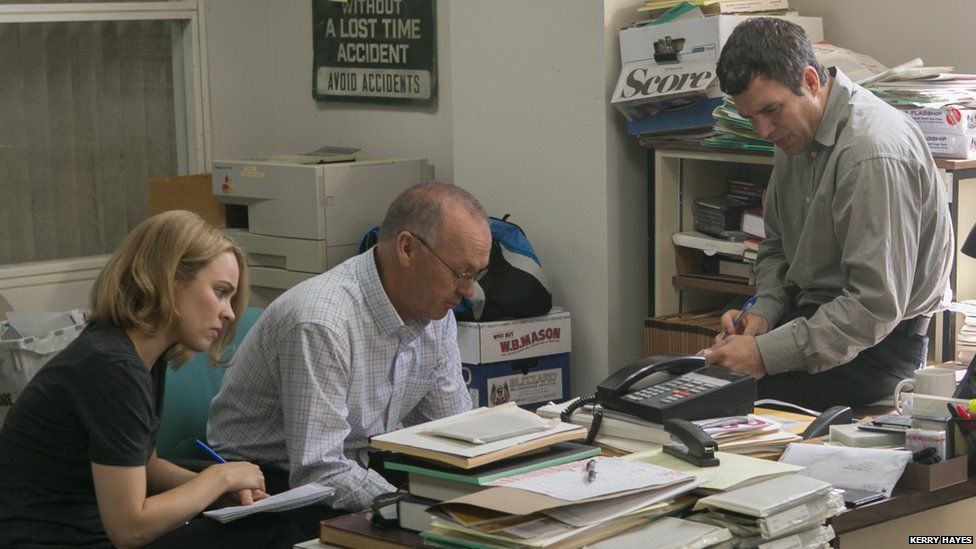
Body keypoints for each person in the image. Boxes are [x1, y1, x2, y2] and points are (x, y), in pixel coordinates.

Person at [0, 210, 303, 548]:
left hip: (84, 531)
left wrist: (219, 493)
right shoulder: (113, 368)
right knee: (271, 533)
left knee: (267, 523)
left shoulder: (136, 355)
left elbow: (144, 466)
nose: (229, 312)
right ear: (169, 279)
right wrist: (217, 480)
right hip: (53, 541)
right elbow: (130, 529)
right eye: (220, 292)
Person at [207, 182, 491, 525]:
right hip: (265, 489)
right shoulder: (321, 321)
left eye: (476, 274)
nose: (469, 289)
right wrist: (406, 505)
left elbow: (452, 431)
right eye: (460, 272)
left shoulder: (434, 313)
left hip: (352, 464)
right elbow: (318, 470)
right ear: (406, 249)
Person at [704, 18, 953, 410]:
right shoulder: (791, 135)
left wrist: (765, 354)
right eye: (752, 118)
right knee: (687, 381)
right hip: (815, 318)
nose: (765, 130)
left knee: (721, 402)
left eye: (771, 111)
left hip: (879, 345)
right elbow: (775, 249)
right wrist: (764, 314)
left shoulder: (870, 152)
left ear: (811, 80)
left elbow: (874, 307)